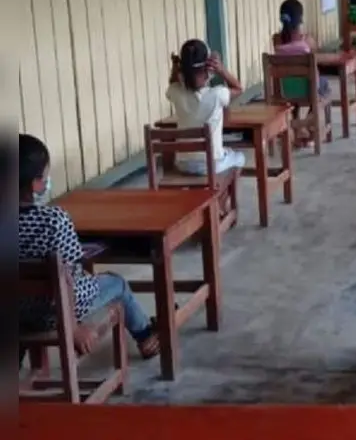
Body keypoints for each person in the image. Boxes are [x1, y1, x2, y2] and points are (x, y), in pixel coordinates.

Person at [18, 134, 160, 359]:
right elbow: (67, 276)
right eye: (45, 175)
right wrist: (73, 327)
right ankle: (146, 337)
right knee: (116, 283)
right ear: (36, 183)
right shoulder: (54, 219)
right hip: (55, 313)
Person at [166, 39, 245, 175]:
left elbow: (172, 83)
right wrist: (222, 70)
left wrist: (176, 68)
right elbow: (238, 88)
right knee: (239, 157)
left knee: (225, 154)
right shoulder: (217, 94)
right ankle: (226, 193)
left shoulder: (176, 92)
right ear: (208, 69)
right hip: (211, 166)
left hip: (183, 164)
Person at [271, 0, 334, 146]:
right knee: (323, 85)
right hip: (308, 89)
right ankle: (308, 125)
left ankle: (296, 128)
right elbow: (317, 57)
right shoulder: (307, 40)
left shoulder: (276, 40)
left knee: (297, 85)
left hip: (285, 89)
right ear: (300, 18)